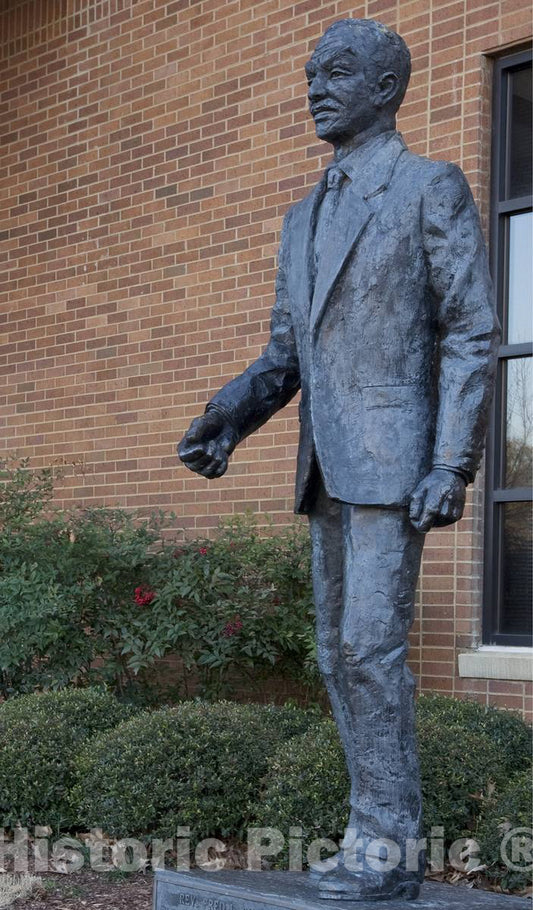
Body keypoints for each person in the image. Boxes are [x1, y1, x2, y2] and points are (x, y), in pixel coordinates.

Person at [178, 18, 500, 902]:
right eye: (311, 73)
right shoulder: (300, 218)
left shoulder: (427, 186)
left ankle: (388, 851)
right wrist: (228, 417)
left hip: (396, 462)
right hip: (325, 466)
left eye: (338, 72)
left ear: (386, 87)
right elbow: (286, 354)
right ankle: (369, 835)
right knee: (333, 655)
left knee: (368, 652)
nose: (316, 87)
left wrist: (452, 463)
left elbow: (470, 332)